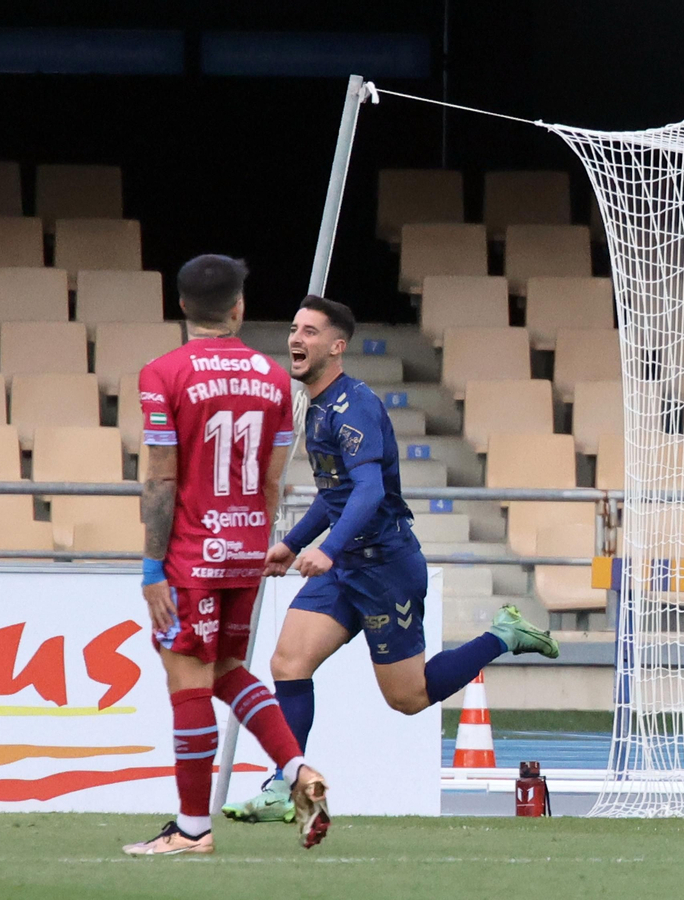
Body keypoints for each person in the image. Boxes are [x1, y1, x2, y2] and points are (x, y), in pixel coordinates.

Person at [223, 294, 561, 824]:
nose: (295, 339)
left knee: (407, 698)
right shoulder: (316, 408)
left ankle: (503, 635)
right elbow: (335, 497)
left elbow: (368, 492)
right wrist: (291, 545)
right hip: (347, 566)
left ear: (337, 347)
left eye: (309, 332)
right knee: (288, 662)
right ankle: (284, 782)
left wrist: (328, 550)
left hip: (384, 568)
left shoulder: (352, 406)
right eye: (294, 328)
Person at [124, 255, 330, 857]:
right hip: (248, 548)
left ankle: (192, 829)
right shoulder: (274, 380)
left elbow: (160, 480)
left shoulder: (162, 373)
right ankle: (296, 772)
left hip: (191, 551)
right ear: (239, 307)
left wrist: (151, 567)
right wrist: (256, 540)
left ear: (182, 305)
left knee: (187, 681)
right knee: (226, 673)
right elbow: (273, 480)